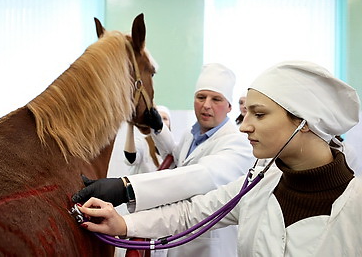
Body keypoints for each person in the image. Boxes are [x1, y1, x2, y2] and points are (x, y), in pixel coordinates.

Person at [77, 61, 362, 256]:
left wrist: (126, 187)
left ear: (305, 123)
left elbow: (204, 175)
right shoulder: (258, 184)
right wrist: (122, 224)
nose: (244, 125)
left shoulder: (356, 207)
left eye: (259, 114)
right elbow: (192, 212)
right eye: (200, 97)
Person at [73, 63, 255, 257]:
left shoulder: (238, 144)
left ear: (229, 106)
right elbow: (177, 158)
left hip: (210, 248)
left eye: (216, 99)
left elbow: (200, 175)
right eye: (201, 97)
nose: (206, 105)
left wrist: (126, 188)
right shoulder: (191, 135)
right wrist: (159, 128)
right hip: (178, 239)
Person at [124, 105, 172, 175]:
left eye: (165, 118)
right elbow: (130, 160)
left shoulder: (173, 148)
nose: (161, 121)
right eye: (158, 118)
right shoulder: (142, 143)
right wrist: (130, 125)